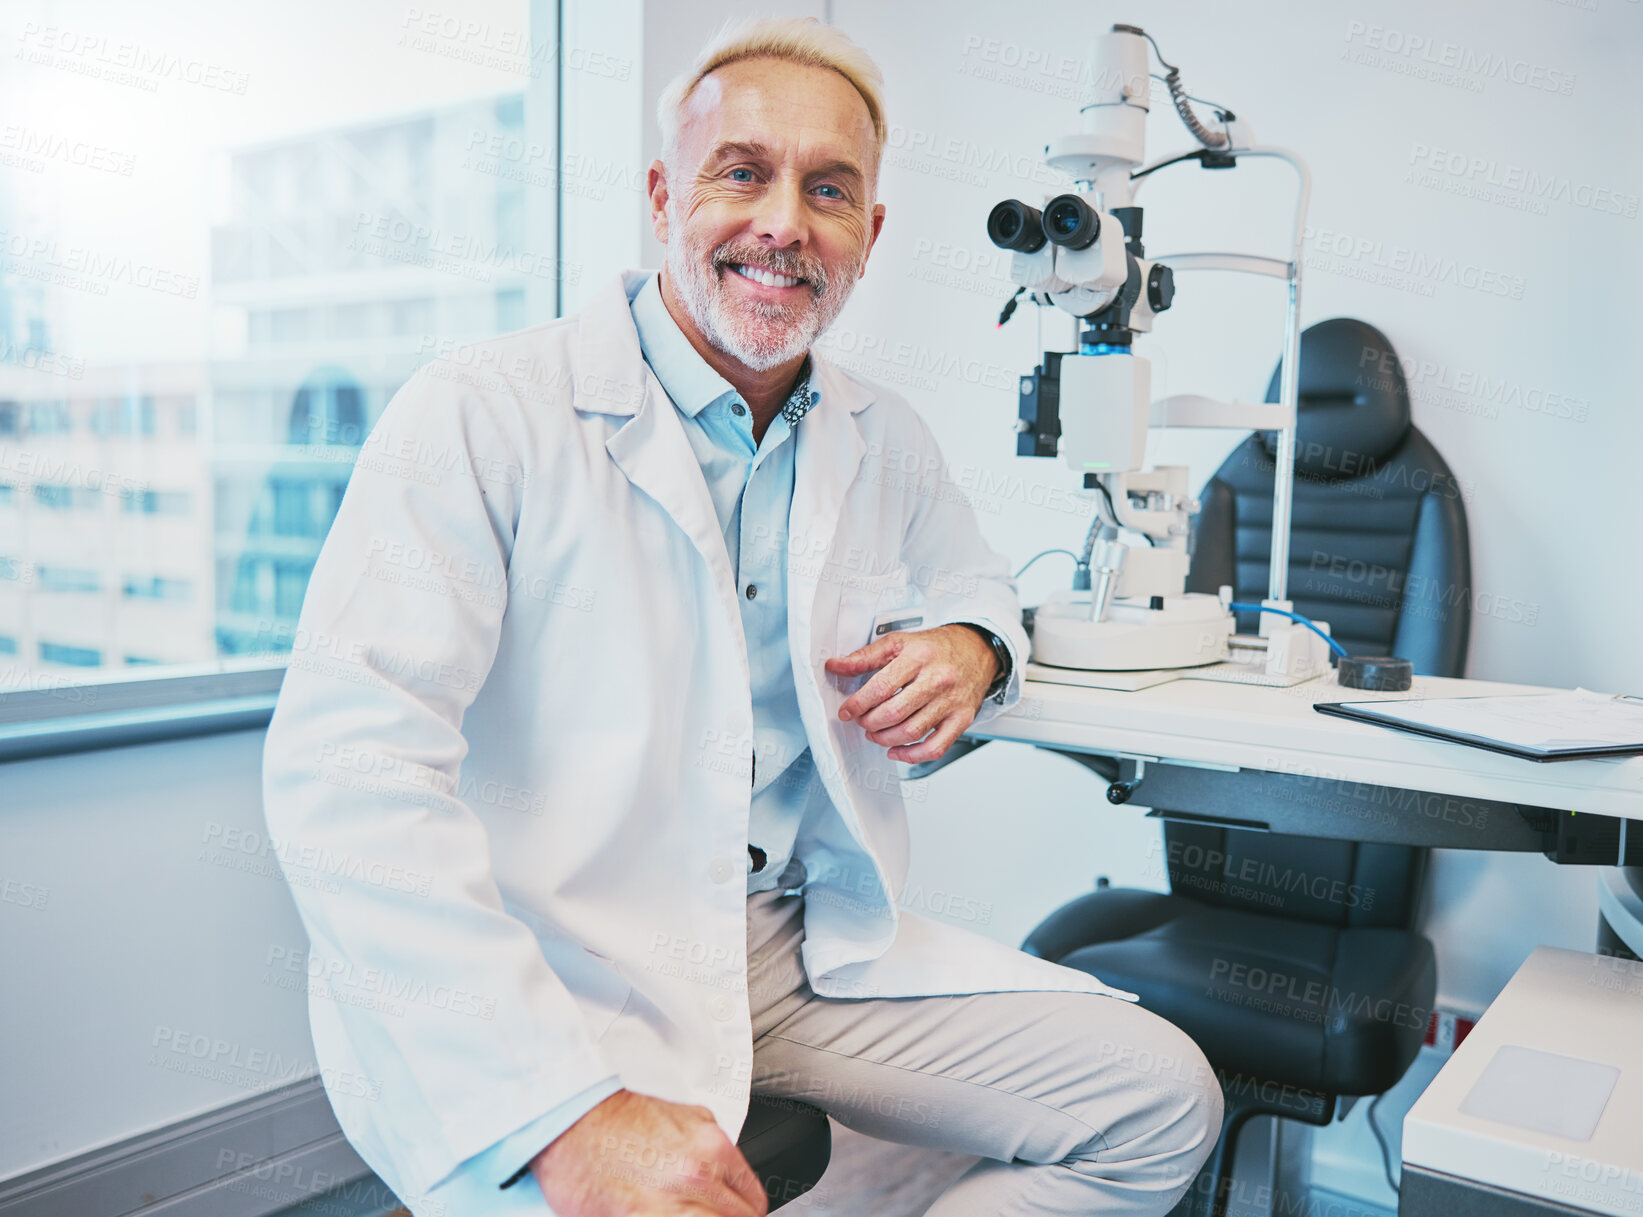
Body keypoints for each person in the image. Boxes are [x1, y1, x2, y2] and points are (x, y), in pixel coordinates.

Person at [261, 16, 1221, 1216]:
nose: (784, 223)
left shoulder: (882, 435)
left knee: (1160, 1101)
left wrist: (972, 647)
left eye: (828, 190)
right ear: (665, 193)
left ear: (869, 235)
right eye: (743, 172)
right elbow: (348, 772)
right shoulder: (482, 411)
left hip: (782, 946)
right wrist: (563, 1110)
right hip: (541, 968)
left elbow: (981, 585)